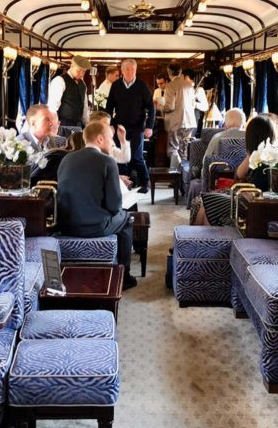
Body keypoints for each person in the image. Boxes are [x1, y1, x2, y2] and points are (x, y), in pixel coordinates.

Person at [57, 121, 137, 289]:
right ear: (100, 139)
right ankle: (124, 275)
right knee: (127, 219)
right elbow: (114, 206)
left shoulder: (66, 159)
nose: (112, 142)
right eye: (110, 138)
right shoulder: (107, 161)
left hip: (66, 226)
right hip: (94, 227)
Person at [194, 115, 273, 226]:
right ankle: (198, 239)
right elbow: (239, 174)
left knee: (206, 204)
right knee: (205, 203)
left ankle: (202, 239)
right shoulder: (257, 154)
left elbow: (255, 190)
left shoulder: (268, 158)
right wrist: (250, 153)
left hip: (250, 204)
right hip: (245, 199)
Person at [105, 58, 155, 193]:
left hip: (137, 127)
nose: (131, 71)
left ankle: (145, 182)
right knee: (121, 157)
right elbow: (109, 106)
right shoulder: (116, 86)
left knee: (136, 157)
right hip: (119, 127)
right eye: (127, 69)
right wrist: (108, 124)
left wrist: (149, 126)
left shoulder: (141, 86)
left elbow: (151, 107)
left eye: (133, 69)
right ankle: (125, 184)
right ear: (122, 71)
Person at [162, 62, 197, 169]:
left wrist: (161, 108)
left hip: (176, 122)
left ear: (169, 73)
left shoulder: (170, 86)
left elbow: (170, 107)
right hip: (190, 122)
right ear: (180, 72)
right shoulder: (189, 85)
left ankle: (174, 177)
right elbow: (193, 104)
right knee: (184, 150)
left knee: (173, 149)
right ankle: (184, 178)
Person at [48, 55, 90, 127]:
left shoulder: (83, 84)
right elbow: (52, 106)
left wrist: (87, 123)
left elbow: (84, 106)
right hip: (63, 124)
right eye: (78, 70)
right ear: (72, 66)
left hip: (79, 124)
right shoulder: (59, 80)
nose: (81, 74)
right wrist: (54, 126)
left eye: (84, 72)